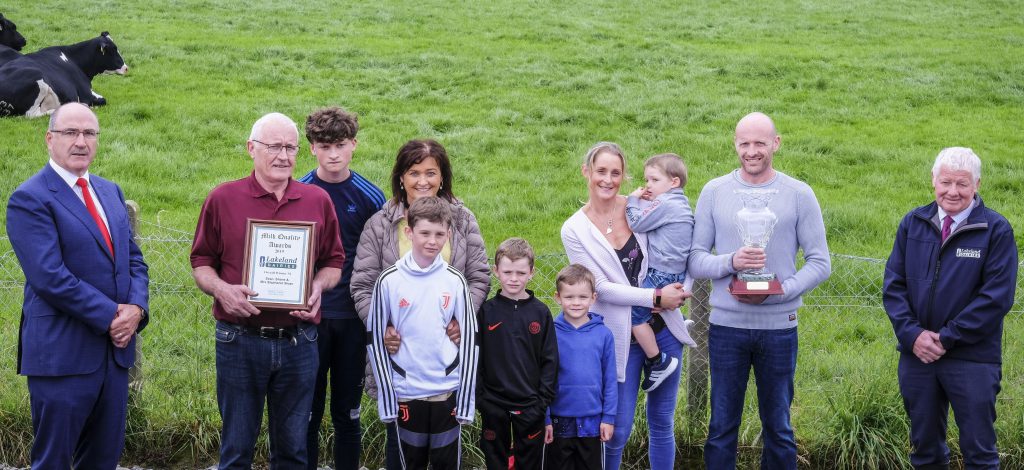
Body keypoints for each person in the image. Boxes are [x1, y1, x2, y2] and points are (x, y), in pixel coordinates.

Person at [190, 112, 345, 469]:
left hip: (299, 342)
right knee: (236, 449)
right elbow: (201, 263)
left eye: (290, 147)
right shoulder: (223, 199)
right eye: (274, 146)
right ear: (251, 149)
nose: (283, 156)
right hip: (239, 339)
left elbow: (334, 263)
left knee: (292, 451)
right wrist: (223, 290)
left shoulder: (317, 200)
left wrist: (318, 288)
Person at [6, 102, 149, 469]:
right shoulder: (30, 198)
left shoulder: (109, 191)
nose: (81, 141)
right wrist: (112, 316)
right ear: (49, 139)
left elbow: (134, 260)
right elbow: (49, 276)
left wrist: (136, 308)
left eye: (89, 133)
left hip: (113, 358)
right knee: (54, 460)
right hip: (62, 357)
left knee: (103, 459)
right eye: (71, 132)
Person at [689, 112, 830, 469]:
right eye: (745, 144)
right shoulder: (714, 191)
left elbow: (820, 262)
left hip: (780, 328)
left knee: (779, 428)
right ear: (735, 144)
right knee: (721, 427)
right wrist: (732, 262)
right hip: (726, 328)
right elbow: (695, 260)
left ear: (776, 143)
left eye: (760, 144)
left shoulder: (799, 194)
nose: (752, 151)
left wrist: (783, 290)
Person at [351, 138, 489, 469]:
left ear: (443, 177)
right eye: (414, 173)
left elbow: (479, 277)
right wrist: (381, 326)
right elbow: (363, 284)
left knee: (444, 448)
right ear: (401, 177)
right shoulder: (380, 224)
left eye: (431, 172)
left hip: (445, 357)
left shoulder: (462, 220)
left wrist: (462, 317)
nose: (423, 181)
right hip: (400, 360)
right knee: (402, 451)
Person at [883, 147, 1018, 470]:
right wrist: (913, 335)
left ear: (977, 184)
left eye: (962, 184)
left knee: (980, 454)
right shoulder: (912, 224)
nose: (952, 192)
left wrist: (946, 338)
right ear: (933, 180)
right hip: (918, 357)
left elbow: (996, 298)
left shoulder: (995, 231)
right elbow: (894, 286)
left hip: (972, 359)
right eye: (946, 182)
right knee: (924, 452)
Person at [561, 142, 693, 470]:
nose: (608, 179)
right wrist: (653, 298)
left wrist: (681, 291)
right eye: (601, 171)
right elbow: (600, 289)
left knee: (662, 422)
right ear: (586, 172)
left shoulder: (641, 208)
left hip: (664, 328)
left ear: (624, 176)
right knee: (616, 430)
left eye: (615, 173)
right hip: (619, 337)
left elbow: (680, 250)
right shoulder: (574, 229)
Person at [298, 106, 386, 470]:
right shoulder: (299, 191)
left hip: (352, 318)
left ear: (354, 145)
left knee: (347, 413)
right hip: (309, 319)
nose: (333, 154)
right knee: (308, 412)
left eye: (340, 145)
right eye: (324, 146)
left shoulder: (371, 198)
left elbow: (382, 257)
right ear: (312, 148)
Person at [366, 196, 479, 470]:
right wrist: (388, 400)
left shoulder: (455, 281)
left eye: (440, 234)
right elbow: (375, 340)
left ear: (449, 235)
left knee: (446, 463)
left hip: (446, 391)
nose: (432, 240)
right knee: (409, 462)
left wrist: (465, 401)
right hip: (407, 392)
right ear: (409, 232)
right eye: (425, 233)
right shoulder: (389, 281)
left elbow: (470, 341)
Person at [476, 237, 558, 470]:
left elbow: (550, 362)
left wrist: (541, 403)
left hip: (530, 405)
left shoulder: (541, 313)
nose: (514, 279)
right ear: (496, 271)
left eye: (520, 273)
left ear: (531, 272)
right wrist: (481, 400)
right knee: (496, 462)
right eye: (508, 271)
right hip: (494, 404)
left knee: (529, 464)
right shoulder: (486, 311)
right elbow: (476, 358)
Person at [625, 153, 695, 392]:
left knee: (633, 313)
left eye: (654, 180)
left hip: (662, 274)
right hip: (674, 273)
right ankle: (674, 322)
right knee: (648, 308)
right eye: (646, 180)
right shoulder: (680, 203)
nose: (647, 186)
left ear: (673, 182)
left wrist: (632, 201)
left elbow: (636, 222)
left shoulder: (666, 204)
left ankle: (657, 361)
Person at [544, 264, 616, 470]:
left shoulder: (603, 335)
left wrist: (608, 418)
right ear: (558, 297)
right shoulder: (550, 334)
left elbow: (610, 380)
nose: (576, 302)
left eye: (582, 297)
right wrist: (545, 417)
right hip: (559, 421)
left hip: (593, 422)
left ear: (593, 297)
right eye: (569, 297)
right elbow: (543, 378)